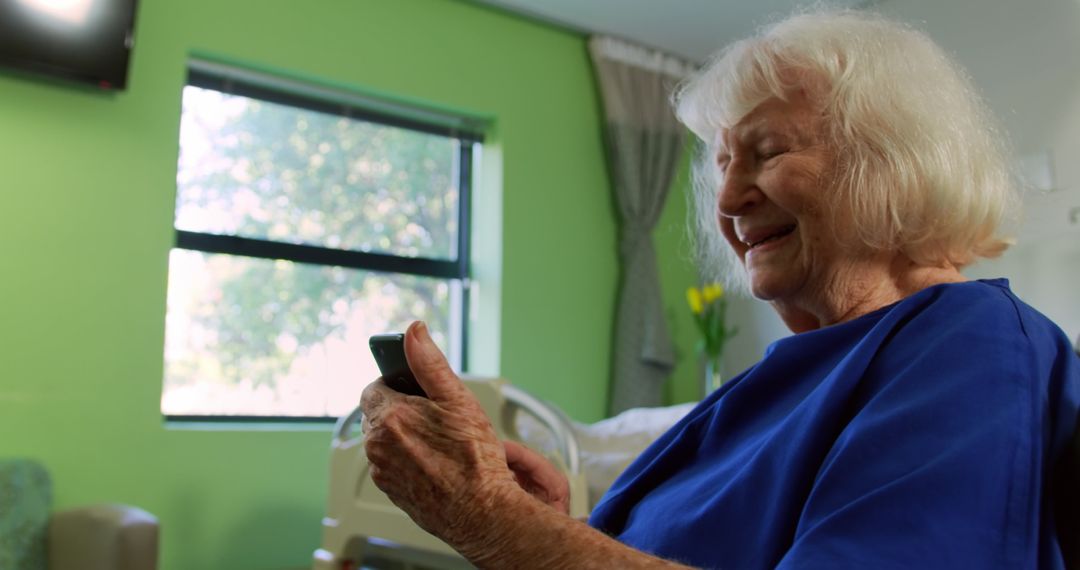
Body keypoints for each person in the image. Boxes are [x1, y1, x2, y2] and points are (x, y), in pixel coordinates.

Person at [360, 9, 1080, 569]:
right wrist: (551, 526)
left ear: (891, 163)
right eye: (722, 165)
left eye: (766, 153)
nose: (728, 200)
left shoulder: (970, 348)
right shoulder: (788, 376)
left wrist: (492, 522)